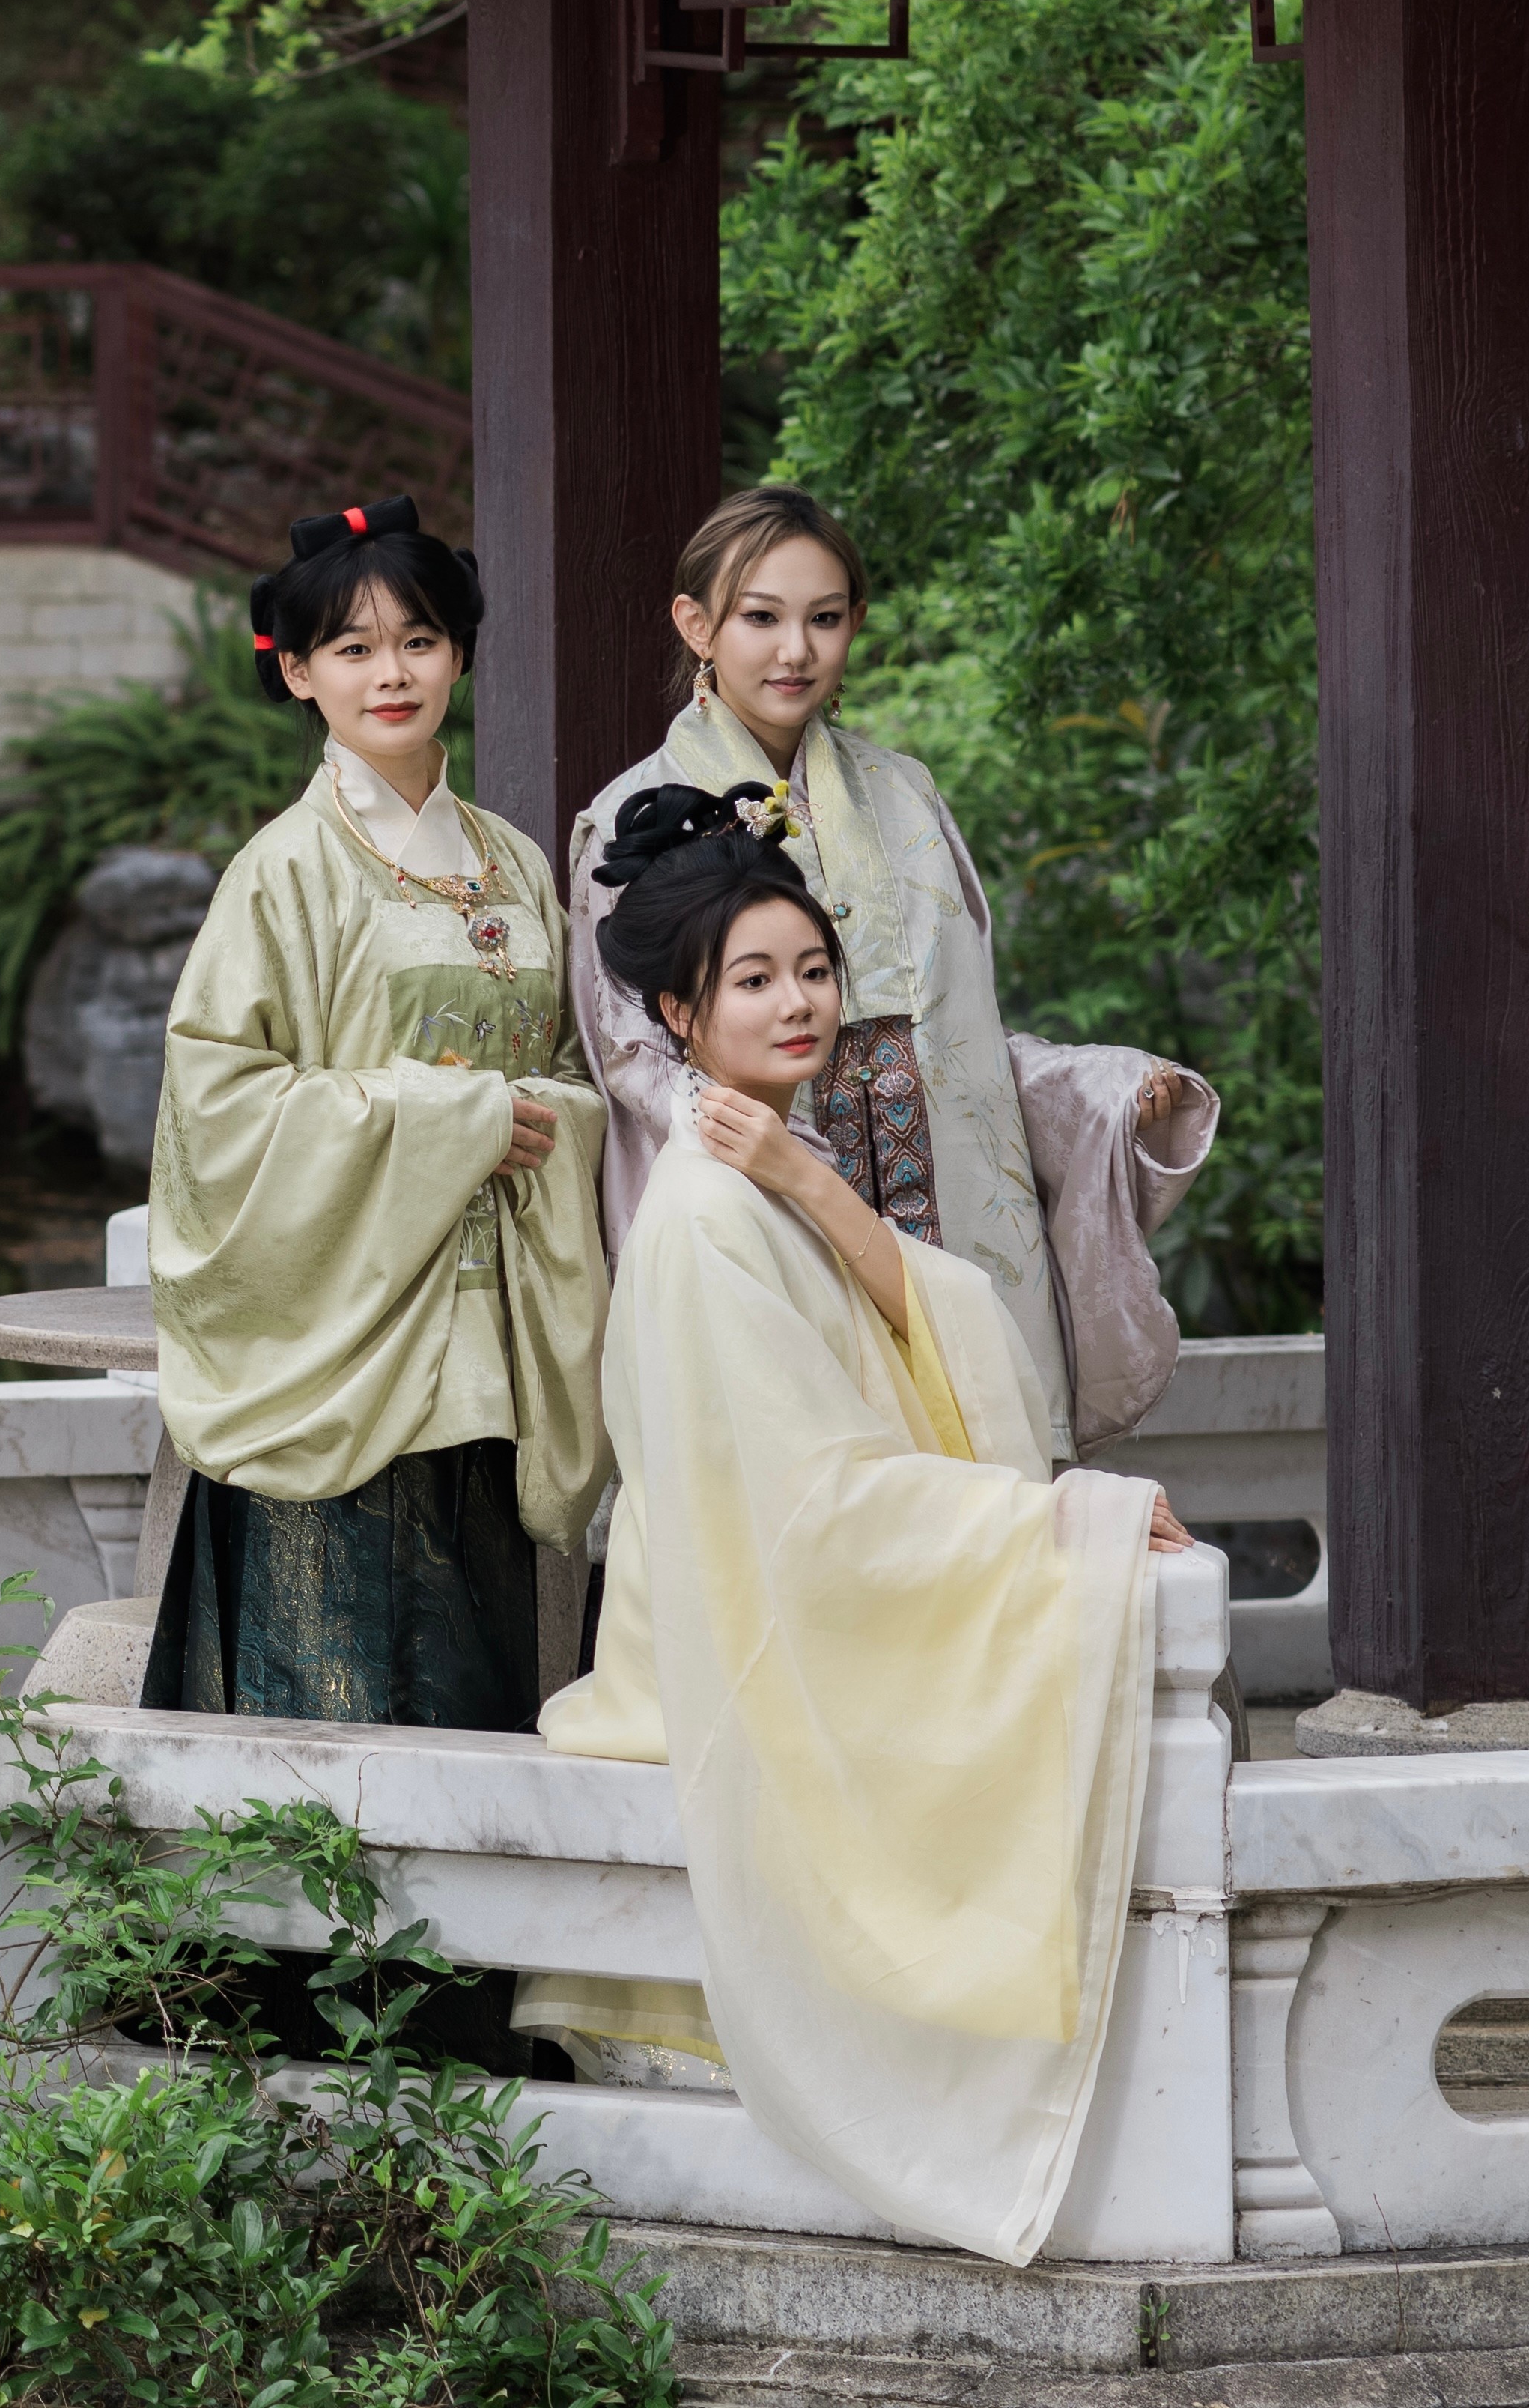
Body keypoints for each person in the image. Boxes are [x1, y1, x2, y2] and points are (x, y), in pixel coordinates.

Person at [522, 783, 1190, 2267]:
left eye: (812, 970)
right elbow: (815, 1509)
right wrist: (1062, 1528)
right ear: (678, 1016)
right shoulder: (703, 1217)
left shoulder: (762, 1173)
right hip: (714, 1663)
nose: (797, 1004)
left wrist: (811, 1181)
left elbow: (935, 1324)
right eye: (751, 981)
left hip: (755, 1593)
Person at [565, 486, 1215, 1457]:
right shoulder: (635, 821)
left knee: (981, 1506)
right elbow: (629, 1054)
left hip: (952, 1242)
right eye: (760, 618)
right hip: (768, 1223)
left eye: (824, 619)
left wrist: (1105, 1090)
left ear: (856, 623)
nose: (795, 650)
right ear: (696, 625)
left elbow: (961, 1039)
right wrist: (776, 1157)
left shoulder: (906, 793)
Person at [138, 497, 607, 1734]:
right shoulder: (282, 870)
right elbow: (217, 1103)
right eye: (351, 648)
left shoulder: (514, 860)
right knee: (333, 1694)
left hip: (489, 1329)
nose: (389, 673)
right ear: (298, 673)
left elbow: (572, 1062)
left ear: (458, 654)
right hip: (344, 1326)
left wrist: (542, 1114)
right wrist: (451, 1121)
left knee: (476, 1678)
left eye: (418, 640)